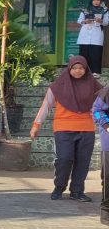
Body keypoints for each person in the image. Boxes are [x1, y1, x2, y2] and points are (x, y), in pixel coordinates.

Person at [31, 55, 100, 201]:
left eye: (81, 68)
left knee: (83, 161)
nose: (78, 71)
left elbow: (101, 106)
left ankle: (77, 191)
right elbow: (46, 106)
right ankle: (59, 187)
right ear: (69, 69)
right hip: (63, 128)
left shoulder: (93, 85)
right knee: (64, 159)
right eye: (74, 68)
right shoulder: (57, 86)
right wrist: (36, 125)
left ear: (86, 69)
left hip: (86, 128)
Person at [77, 0, 107, 77]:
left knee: (96, 53)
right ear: (91, 1)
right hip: (85, 34)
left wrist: (100, 21)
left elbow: (106, 22)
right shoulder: (85, 10)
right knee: (84, 53)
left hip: (97, 34)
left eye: (98, 0)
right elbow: (79, 21)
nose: (96, 2)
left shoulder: (104, 10)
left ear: (100, 1)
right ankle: (83, 71)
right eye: (94, 0)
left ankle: (95, 72)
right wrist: (85, 21)